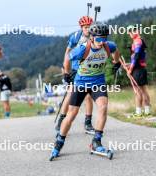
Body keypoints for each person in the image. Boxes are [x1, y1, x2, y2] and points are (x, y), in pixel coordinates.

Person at [51, 22, 121, 157]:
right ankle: (59, 142)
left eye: (104, 39)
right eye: (99, 39)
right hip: (81, 83)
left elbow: (115, 50)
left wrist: (116, 62)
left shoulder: (108, 46)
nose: (102, 42)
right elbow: (67, 57)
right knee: (72, 114)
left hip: (98, 82)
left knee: (103, 107)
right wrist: (67, 73)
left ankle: (96, 142)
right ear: (92, 38)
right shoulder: (82, 49)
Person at [55, 16, 95, 134]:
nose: (88, 29)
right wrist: (65, 70)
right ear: (81, 27)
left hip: (88, 69)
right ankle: (61, 120)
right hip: (75, 69)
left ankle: (88, 123)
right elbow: (67, 53)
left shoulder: (94, 36)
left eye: (89, 27)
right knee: (70, 95)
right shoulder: (76, 36)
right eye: (85, 27)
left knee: (88, 96)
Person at [127, 25, 151, 117]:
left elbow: (136, 56)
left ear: (136, 31)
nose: (130, 34)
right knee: (144, 91)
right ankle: (147, 111)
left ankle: (138, 112)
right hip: (141, 68)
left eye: (131, 31)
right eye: (129, 32)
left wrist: (130, 69)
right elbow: (138, 58)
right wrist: (129, 65)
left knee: (138, 92)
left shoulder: (137, 41)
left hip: (138, 70)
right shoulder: (139, 41)